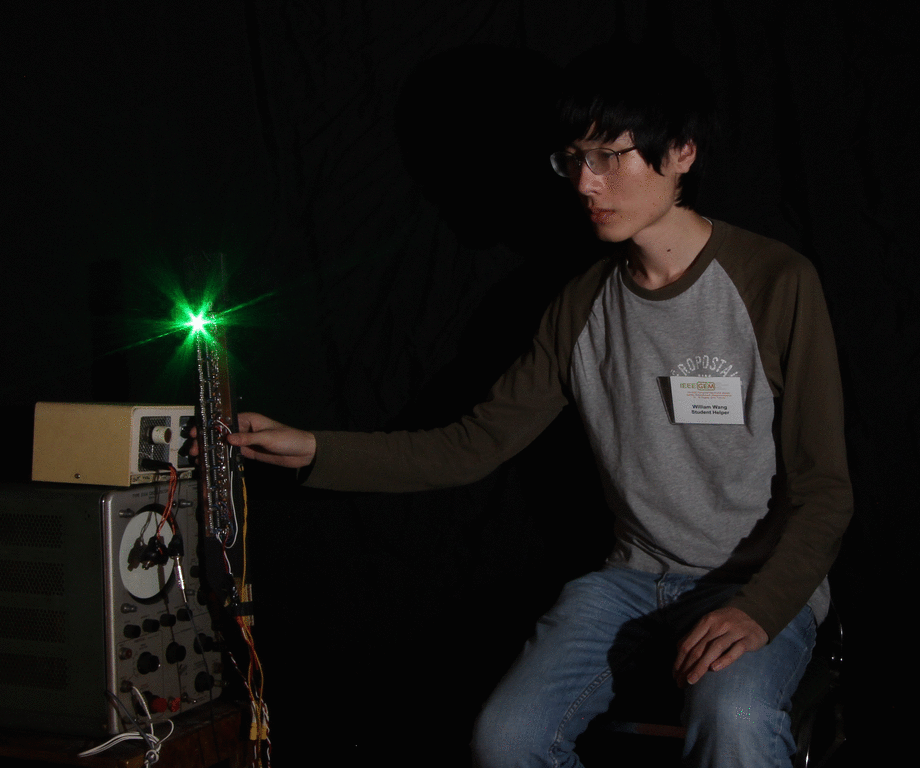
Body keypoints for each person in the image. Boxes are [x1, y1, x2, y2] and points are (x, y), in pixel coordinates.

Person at [222, 46, 853, 767]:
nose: (586, 182)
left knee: (734, 717)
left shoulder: (774, 282)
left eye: (610, 156)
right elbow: (471, 444)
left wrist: (760, 608)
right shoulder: (581, 304)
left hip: (753, 580)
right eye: (574, 159)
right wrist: (313, 449)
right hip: (630, 582)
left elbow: (825, 490)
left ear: (681, 152)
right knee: (506, 739)